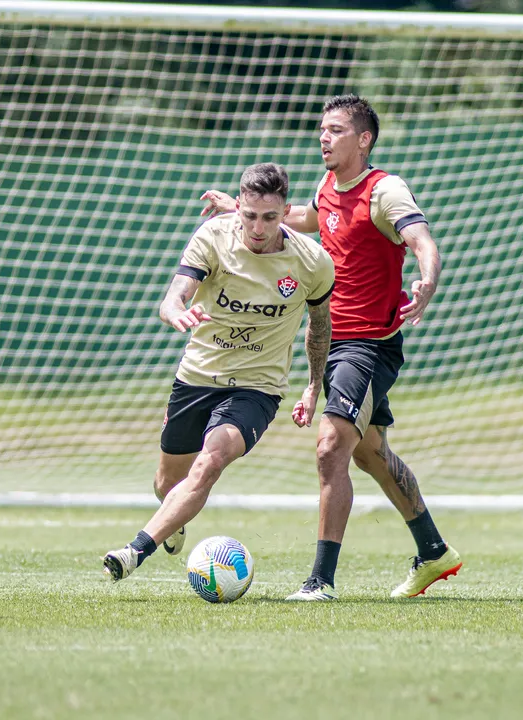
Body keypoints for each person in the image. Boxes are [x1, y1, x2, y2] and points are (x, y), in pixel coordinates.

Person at [201, 95, 460, 601]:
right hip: (333, 342)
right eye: (322, 128)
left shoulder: (385, 190)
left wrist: (428, 279)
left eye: (336, 129)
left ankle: (320, 581)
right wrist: (245, 210)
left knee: (330, 448)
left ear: (363, 139)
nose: (324, 136)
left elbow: (421, 239)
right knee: (371, 454)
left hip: (368, 346)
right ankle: (433, 551)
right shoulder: (327, 187)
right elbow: (311, 219)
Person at [103, 162, 334, 582]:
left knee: (210, 461)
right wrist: (174, 310)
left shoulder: (312, 262)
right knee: (165, 483)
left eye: (269, 217)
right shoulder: (213, 236)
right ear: (239, 207)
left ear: (286, 212)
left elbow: (320, 327)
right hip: (197, 375)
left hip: (257, 388)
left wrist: (313, 386)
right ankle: (174, 520)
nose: (258, 227)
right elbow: (176, 294)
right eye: (249, 216)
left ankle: (134, 551)